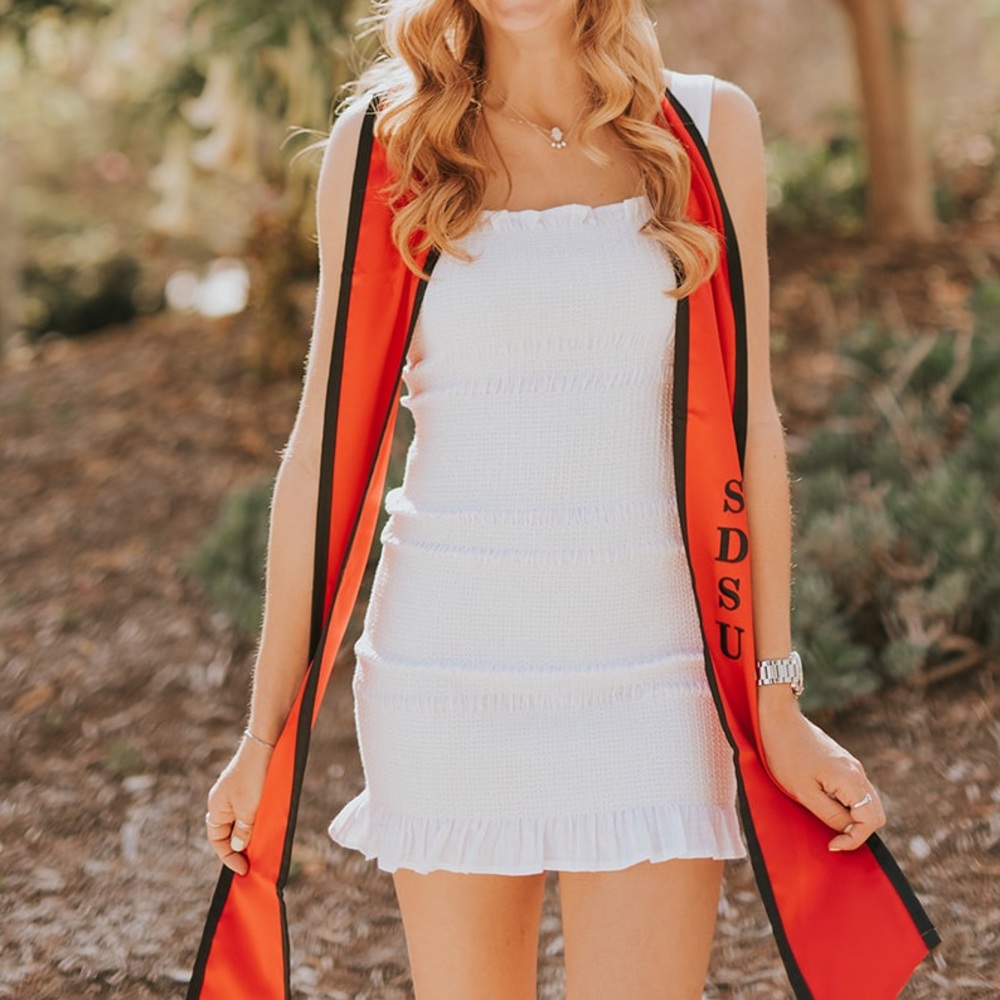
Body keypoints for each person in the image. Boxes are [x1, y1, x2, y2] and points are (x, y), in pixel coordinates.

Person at [195, 2, 936, 998]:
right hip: (445, 672)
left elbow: (749, 422)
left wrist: (776, 695)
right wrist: (262, 739)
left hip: (659, 675)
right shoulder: (382, 146)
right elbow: (321, 454)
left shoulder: (710, 132)